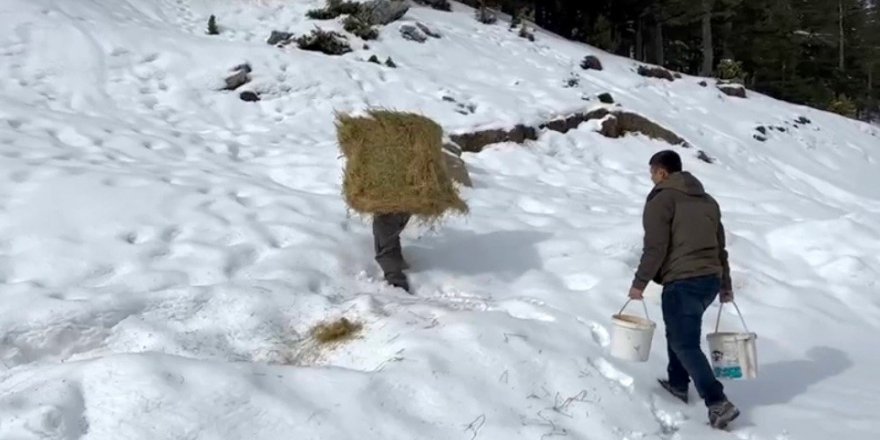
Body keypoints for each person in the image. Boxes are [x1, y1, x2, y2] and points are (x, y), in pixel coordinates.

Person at [627, 150, 740, 429]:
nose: (651, 178)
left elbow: (656, 247)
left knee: (684, 342)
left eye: (652, 172)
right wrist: (725, 285)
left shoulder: (661, 199)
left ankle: (717, 402)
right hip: (709, 281)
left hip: (683, 280)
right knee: (679, 332)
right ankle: (678, 383)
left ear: (662, 172)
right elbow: (720, 249)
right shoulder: (708, 201)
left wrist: (639, 282)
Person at [373, 212, 412, 293]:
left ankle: (397, 286)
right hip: (396, 208)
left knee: (386, 247)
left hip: (389, 211)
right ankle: (399, 270)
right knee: (389, 241)